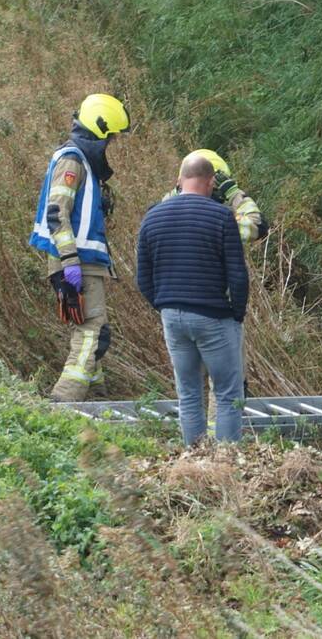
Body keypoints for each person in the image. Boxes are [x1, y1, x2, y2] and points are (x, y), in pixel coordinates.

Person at [136, 154, 249, 445]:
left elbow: (143, 279)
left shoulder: (152, 217)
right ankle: (225, 464)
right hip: (214, 316)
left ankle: (194, 461)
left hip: (172, 316)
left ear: (178, 180)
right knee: (227, 394)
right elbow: (237, 275)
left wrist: (165, 305)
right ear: (211, 182)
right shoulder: (222, 216)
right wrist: (236, 314)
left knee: (188, 394)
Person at [28, 93, 130, 402]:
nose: (112, 141)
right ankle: (63, 400)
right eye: (111, 135)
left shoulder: (82, 160)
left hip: (83, 260)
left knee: (99, 334)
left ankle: (96, 398)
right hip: (76, 261)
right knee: (91, 331)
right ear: (100, 130)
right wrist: (70, 260)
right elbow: (57, 212)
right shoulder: (72, 159)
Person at [162, 148, 269, 245]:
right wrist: (234, 193)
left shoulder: (157, 219)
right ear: (212, 184)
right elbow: (258, 226)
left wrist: (177, 192)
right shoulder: (220, 221)